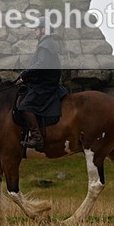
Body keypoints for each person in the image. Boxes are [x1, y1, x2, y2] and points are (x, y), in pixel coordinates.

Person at [17, 18, 68, 150]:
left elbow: (41, 65)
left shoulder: (46, 45)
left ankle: (37, 138)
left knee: (25, 106)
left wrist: (25, 73)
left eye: (36, 29)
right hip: (41, 83)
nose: (35, 31)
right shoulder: (46, 44)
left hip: (44, 85)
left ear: (44, 30)